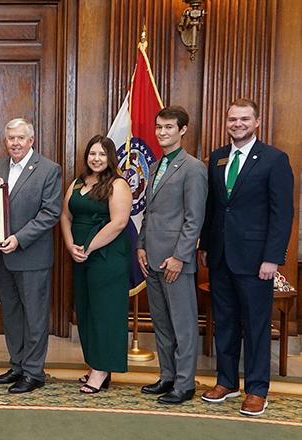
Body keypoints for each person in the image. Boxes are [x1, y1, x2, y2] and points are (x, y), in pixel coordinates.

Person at [198, 98, 294, 416]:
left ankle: (256, 389)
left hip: (256, 261)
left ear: (257, 122)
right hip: (221, 256)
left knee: (255, 325)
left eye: (243, 119)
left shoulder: (274, 159)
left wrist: (272, 258)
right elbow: (214, 207)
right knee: (224, 322)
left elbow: (282, 215)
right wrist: (205, 247)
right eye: (232, 119)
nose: (237, 124)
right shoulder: (218, 158)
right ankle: (226, 382)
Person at [136, 106, 207, 405]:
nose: (162, 133)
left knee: (183, 325)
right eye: (159, 127)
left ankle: (185, 383)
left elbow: (195, 218)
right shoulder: (154, 167)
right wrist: (140, 244)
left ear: (182, 130)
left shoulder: (193, 168)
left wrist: (180, 256)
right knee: (162, 324)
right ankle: (167, 377)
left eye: (168, 127)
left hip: (175, 262)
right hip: (152, 259)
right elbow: (148, 213)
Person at [0, 118, 62, 394]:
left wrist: (19, 238)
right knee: (12, 314)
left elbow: (50, 213)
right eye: (11, 139)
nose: (15, 143)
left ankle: (34, 372)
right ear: (5, 141)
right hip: (3, 256)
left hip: (32, 256)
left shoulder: (49, 169)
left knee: (35, 316)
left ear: (31, 140)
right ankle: (17, 365)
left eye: (20, 138)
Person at [60, 135, 131, 394]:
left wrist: (88, 247)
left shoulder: (118, 184)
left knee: (106, 312)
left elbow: (119, 223)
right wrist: (70, 246)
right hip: (79, 256)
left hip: (107, 257)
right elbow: (65, 215)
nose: (96, 159)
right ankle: (95, 363)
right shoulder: (78, 182)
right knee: (87, 310)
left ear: (110, 157)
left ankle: (102, 370)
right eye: (92, 154)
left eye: (102, 154)